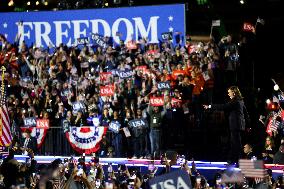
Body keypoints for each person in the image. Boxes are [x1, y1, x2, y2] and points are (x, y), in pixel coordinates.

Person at [203, 86, 247, 164]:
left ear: (234, 92)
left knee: (236, 143)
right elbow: (246, 113)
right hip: (238, 124)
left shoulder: (235, 101)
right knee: (235, 143)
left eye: (229, 92)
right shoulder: (239, 100)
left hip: (236, 125)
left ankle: (237, 160)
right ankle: (234, 160)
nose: (228, 94)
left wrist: (210, 106)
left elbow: (224, 106)